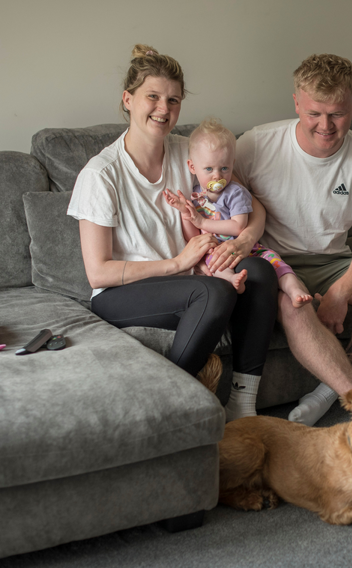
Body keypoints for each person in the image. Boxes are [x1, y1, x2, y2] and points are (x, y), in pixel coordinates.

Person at [67, 44, 278, 422]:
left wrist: (244, 241)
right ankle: (167, 413)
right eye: (153, 97)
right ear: (128, 100)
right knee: (213, 290)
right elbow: (98, 272)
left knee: (260, 272)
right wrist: (180, 262)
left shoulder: (191, 154)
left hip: (190, 279)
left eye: (174, 100)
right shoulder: (101, 174)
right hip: (122, 295)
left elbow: (251, 206)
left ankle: (243, 406)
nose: (164, 109)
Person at [233, 53, 352, 426]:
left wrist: (340, 293)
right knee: (291, 301)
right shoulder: (255, 146)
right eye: (314, 112)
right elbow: (225, 207)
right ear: (297, 102)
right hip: (273, 263)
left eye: (337, 113)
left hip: (333, 263)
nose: (325, 125)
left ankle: (325, 393)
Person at [163, 118, 313, 307]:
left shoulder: (235, 192)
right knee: (213, 265)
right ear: (192, 167)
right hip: (215, 252)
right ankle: (232, 281)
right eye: (209, 169)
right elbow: (192, 238)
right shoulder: (196, 197)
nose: (217, 176)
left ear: (232, 165)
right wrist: (186, 213)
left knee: (277, 263)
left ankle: (295, 290)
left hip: (249, 249)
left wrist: (202, 223)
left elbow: (238, 225)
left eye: (224, 168)